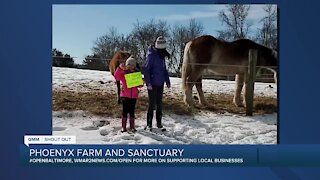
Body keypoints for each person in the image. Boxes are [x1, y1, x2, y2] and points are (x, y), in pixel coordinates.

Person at [143, 36, 171, 131]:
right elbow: (146, 70)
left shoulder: (162, 56)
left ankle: (159, 123)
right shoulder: (151, 56)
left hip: (160, 83)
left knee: (159, 104)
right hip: (152, 84)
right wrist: (148, 83)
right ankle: (149, 124)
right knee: (152, 104)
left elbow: (164, 70)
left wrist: (167, 80)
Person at [114, 56, 143, 132]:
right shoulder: (123, 73)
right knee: (124, 111)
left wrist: (142, 81)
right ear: (127, 65)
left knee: (132, 111)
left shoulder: (136, 74)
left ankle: (132, 126)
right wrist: (120, 68)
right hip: (125, 96)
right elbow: (116, 77)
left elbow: (140, 85)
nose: (131, 66)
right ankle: (123, 126)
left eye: (133, 65)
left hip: (133, 96)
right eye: (129, 65)